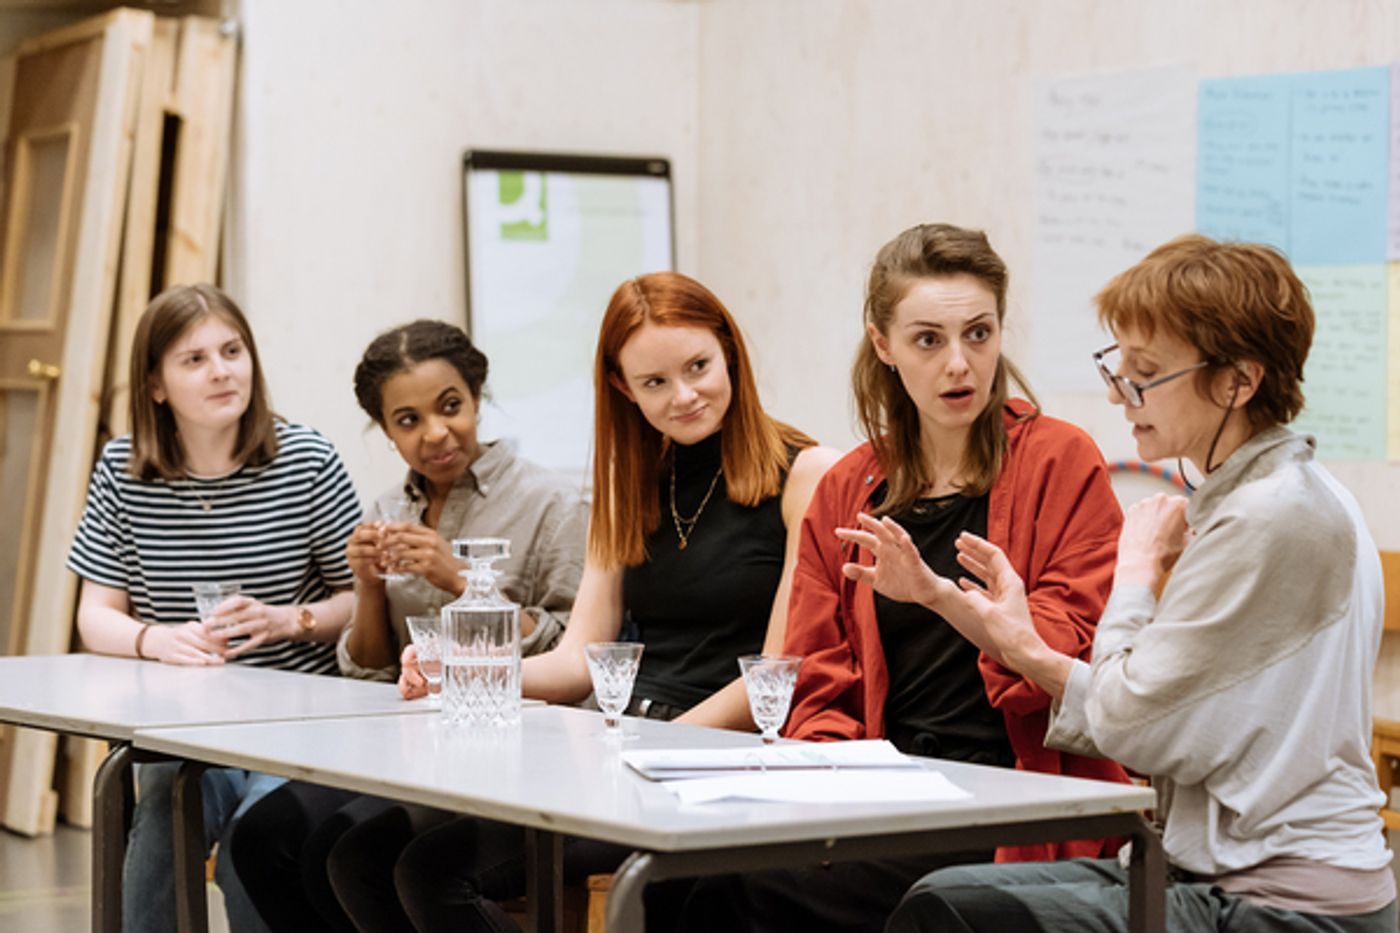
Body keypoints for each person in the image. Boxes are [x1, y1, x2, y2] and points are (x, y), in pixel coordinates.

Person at [867, 235, 1396, 932]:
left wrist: (1136, 575)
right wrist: (1025, 649)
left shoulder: (1268, 518)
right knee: (941, 894)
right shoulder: (1279, 493)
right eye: (1120, 368)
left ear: (1238, 381)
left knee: (950, 913)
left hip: (1283, 901)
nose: (1121, 396)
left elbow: (1131, 727)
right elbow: (1165, 712)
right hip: (1213, 865)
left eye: (1144, 375)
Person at [346, 271, 838, 932]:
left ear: (731, 352)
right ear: (622, 388)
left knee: (435, 871)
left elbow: (777, 674)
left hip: (714, 758)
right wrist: (466, 675)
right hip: (621, 740)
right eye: (655, 382)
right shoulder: (627, 483)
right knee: (365, 857)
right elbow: (578, 656)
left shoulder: (809, 474)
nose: (684, 395)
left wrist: (644, 752)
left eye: (698, 366)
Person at [676, 223, 1131, 933]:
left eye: (978, 334)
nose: (960, 363)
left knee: (745, 895)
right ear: (883, 344)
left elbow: (1069, 659)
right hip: (887, 791)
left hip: (1017, 794)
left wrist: (948, 599)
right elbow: (817, 675)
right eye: (929, 339)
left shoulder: (1059, 461)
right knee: (690, 879)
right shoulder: (849, 487)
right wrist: (829, 785)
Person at [228, 319, 589, 933]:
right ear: (386, 430)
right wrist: (366, 586)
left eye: (451, 407)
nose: (436, 433)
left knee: (338, 856)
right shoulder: (390, 510)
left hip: (512, 752)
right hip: (407, 748)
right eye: (408, 420)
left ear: (477, 397)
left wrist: (461, 580)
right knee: (261, 837)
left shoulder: (551, 502)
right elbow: (367, 668)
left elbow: (565, 647)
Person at [66, 283, 361, 933]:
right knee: (163, 830)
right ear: (156, 386)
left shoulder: (306, 459)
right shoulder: (124, 468)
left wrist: (291, 618)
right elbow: (96, 614)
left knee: (250, 849)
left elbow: (365, 603)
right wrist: (156, 640)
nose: (223, 370)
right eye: (194, 359)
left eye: (232, 350)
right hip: (185, 720)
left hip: (301, 718)